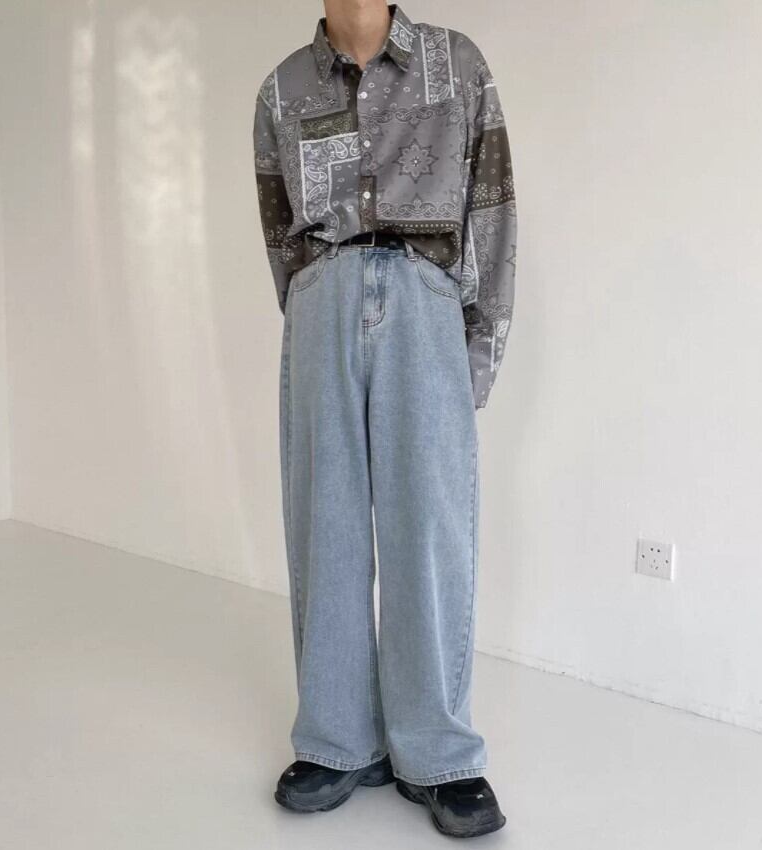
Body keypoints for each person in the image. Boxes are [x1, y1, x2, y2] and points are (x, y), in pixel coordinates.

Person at [252, 1, 516, 838]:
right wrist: (313, 305)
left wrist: (475, 354)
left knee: (429, 530)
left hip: (426, 300)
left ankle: (439, 752)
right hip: (321, 301)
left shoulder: (458, 65)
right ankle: (337, 740)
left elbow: (493, 215)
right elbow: (279, 233)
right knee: (325, 524)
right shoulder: (281, 90)